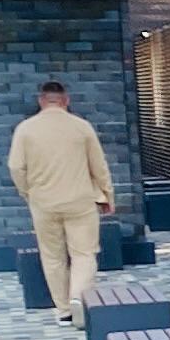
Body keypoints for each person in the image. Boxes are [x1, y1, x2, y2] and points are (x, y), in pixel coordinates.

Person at [8, 80, 115, 322]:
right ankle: (79, 298)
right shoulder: (82, 127)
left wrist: (28, 193)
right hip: (80, 201)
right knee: (84, 253)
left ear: (41, 101)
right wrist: (107, 195)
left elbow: (15, 167)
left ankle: (64, 309)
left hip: (43, 202)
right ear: (66, 100)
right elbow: (98, 166)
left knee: (52, 256)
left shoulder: (25, 129)